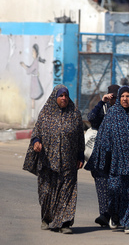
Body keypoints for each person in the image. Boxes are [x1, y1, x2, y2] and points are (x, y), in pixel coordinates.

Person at [85, 85, 129, 234]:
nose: (125, 99)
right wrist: (104, 155)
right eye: (122, 96)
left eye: (127, 96)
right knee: (114, 188)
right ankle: (113, 213)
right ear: (119, 98)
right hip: (115, 162)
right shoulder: (112, 113)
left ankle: (128, 223)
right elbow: (103, 135)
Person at [23, 84, 85, 234]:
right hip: (48, 162)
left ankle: (64, 223)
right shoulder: (45, 113)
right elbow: (36, 132)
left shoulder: (75, 113)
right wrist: (36, 142)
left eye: (66, 95)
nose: (64, 98)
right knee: (46, 192)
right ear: (55, 97)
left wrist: (80, 155)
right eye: (61, 95)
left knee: (67, 192)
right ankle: (46, 218)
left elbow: (80, 138)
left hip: (68, 162)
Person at [87, 84, 120, 227]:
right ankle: (104, 215)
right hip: (101, 154)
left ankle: (113, 214)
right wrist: (102, 102)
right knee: (101, 184)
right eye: (112, 97)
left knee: (115, 186)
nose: (114, 100)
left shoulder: (125, 111)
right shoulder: (103, 108)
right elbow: (91, 118)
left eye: (116, 97)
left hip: (117, 155)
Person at [20, 44, 46, 123]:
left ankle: (33, 117)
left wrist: (24, 66)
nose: (32, 53)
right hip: (34, 80)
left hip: (34, 82)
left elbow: (29, 70)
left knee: (33, 100)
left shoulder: (35, 61)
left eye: (33, 51)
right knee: (33, 100)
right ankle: (33, 117)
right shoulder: (36, 60)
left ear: (36, 52)